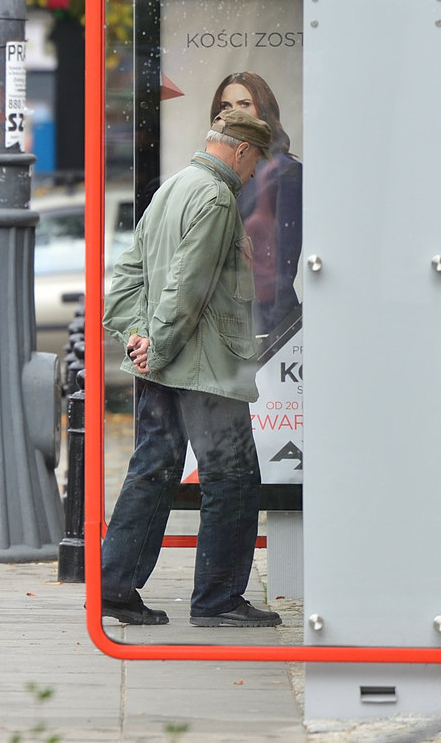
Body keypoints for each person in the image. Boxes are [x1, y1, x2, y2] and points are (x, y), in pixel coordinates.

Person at [99, 108, 282, 628]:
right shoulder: (218, 196)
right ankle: (219, 601)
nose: (252, 176)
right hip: (203, 367)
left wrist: (138, 339)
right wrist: (154, 344)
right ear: (241, 151)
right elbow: (189, 285)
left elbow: (127, 278)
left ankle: (114, 588)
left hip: (161, 364)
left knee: (153, 469)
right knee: (235, 477)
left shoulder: (173, 186)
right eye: (254, 163)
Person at [210, 72, 303, 335]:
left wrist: (268, 330)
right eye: (226, 106)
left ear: (263, 109)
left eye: (244, 104)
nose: (233, 113)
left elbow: (284, 264)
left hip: (265, 319)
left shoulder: (283, 172)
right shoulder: (215, 173)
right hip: (222, 314)